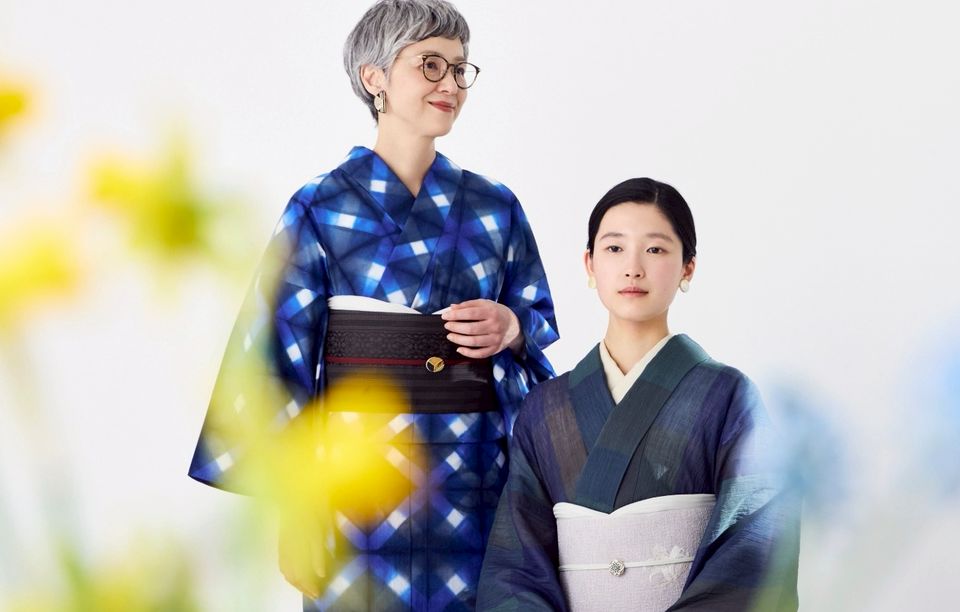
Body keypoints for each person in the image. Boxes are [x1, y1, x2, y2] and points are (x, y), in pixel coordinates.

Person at [187, 1, 558, 610]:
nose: (450, 84)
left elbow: (534, 324)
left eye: (460, 69)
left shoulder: (496, 207)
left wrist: (512, 327)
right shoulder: (319, 206)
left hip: (474, 478)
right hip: (352, 480)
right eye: (430, 65)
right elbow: (273, 361)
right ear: (374, 77)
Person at [477, 178, 799, 611]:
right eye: (614, 248)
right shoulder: (545, 407)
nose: (633, 268)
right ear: (590, 264)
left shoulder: (728, 397)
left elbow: (756, 544)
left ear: (688, 267)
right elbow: (514, 565)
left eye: (655, 249)